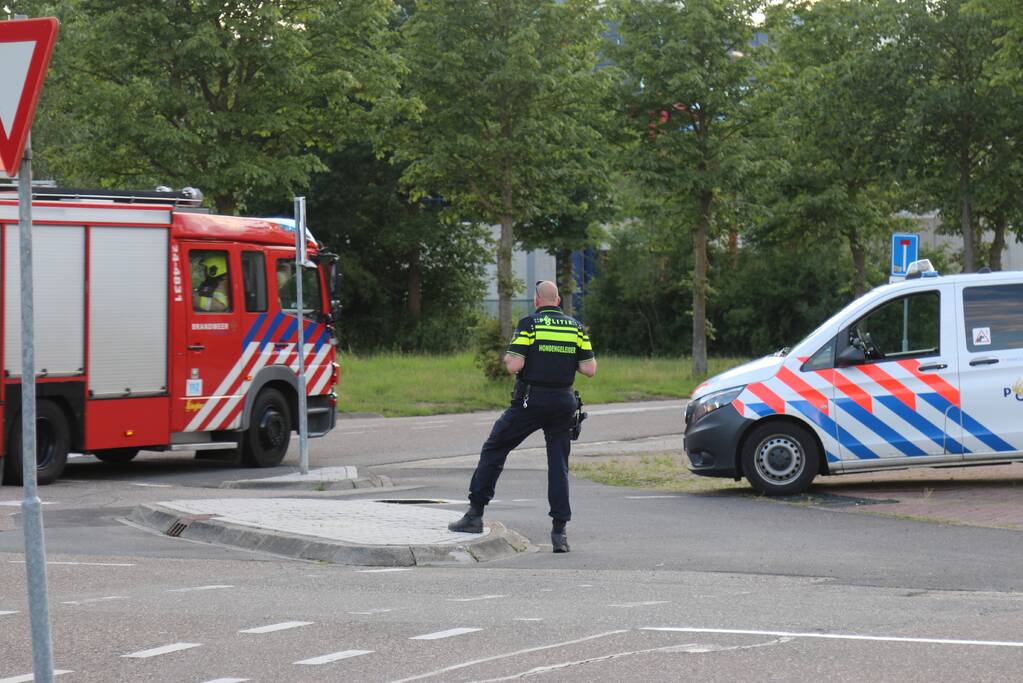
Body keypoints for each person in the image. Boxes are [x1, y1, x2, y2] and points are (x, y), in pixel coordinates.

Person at [448, 280, 597, 553]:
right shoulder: (576, 327)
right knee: (558, 466)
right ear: (559, 301)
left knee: (495, 448)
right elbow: (589, 369)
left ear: (537, 301)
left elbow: (514, 364)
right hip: (563, 402)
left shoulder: (530, 324)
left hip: (532, 401)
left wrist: (511, 359)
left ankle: (474, 515)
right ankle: (559, 532)